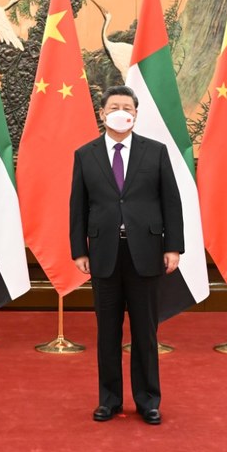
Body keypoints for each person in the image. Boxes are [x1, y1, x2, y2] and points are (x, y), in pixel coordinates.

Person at [70, 85, 184, 425]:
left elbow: (171, 203)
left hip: (146, 253)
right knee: (107, 332)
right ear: (102, 113)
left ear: (136, 114)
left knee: (145, 333)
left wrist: (173, 246)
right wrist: (79, 250)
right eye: (114, 106)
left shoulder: (156, 152)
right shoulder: (85, 154)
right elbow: (78, 205)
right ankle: (109, 400)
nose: (122, 112)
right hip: (104, 254)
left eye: (128, 107)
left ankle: (148, 400)